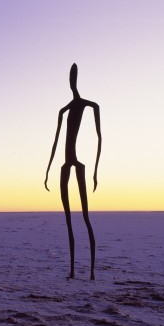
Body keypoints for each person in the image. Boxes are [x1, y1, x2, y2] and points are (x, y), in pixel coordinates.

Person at [45, 63, 102, 280]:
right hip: (65, 165)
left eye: (73, 78)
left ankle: (91, 272)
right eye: (70, 78)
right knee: (68, 219)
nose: (72, 83)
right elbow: (56, 141)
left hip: (77, 164)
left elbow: (99, 137)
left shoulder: (90, 105)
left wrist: (96, 171)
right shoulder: (64, 109)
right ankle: (72, 270)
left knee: (85, 217)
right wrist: (48, 169)